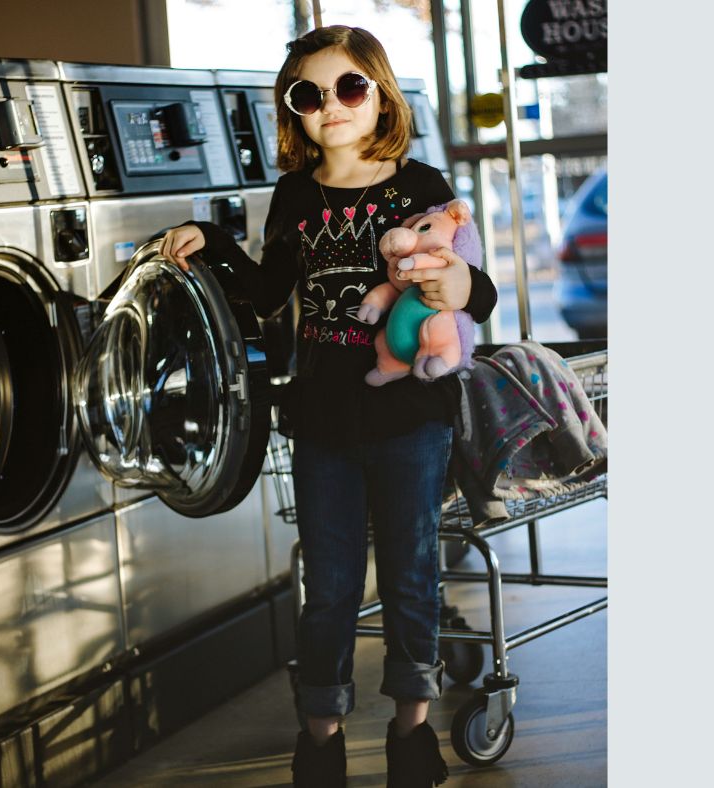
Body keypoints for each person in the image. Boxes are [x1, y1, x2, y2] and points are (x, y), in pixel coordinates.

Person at [160, 25, 497, 788]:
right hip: (320, 419)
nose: (331, 106)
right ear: (294, 112)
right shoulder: (294, 195)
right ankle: (321, 737)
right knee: (332, 583)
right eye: (308, 95)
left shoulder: (422, 185)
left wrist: (459, 290)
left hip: (412, 413)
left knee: (413, 574)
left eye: (349, 87)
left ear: (380, 93)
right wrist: (208, 238)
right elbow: (264, 292)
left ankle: (413, 730)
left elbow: (483, 290)